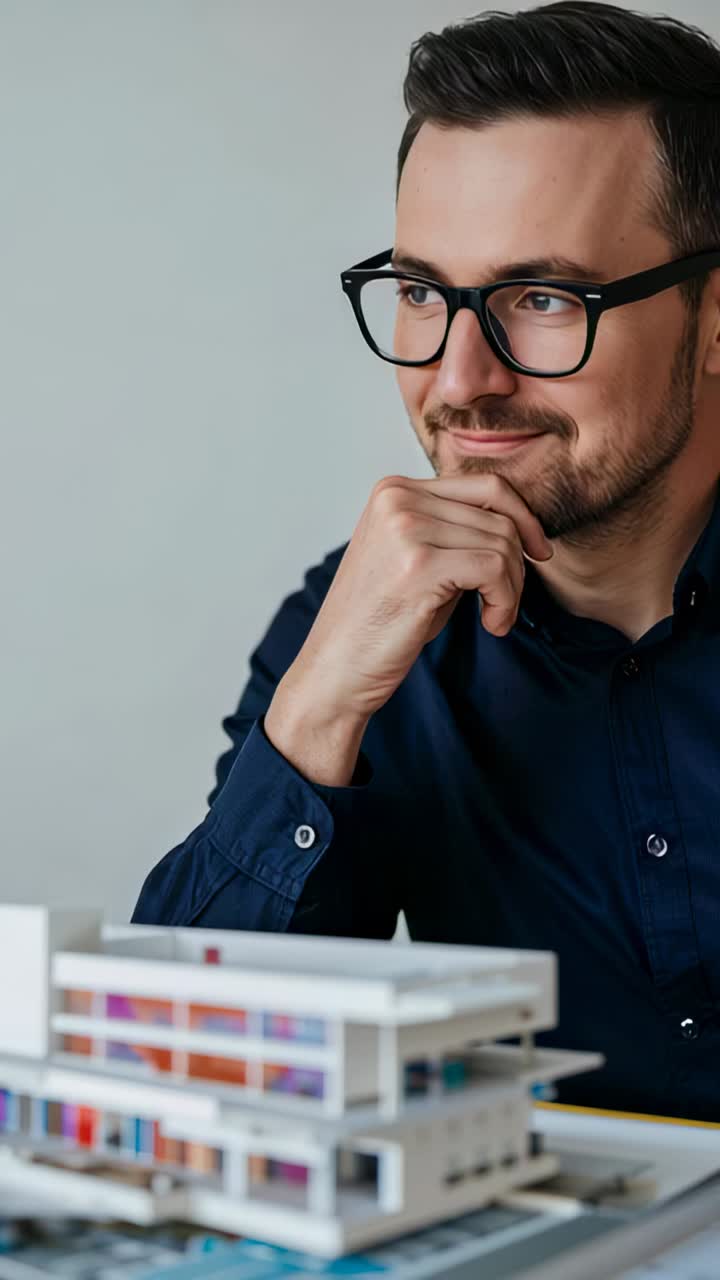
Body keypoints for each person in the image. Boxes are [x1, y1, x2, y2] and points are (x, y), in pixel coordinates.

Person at [133, 1, 720, 1121]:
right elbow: (180, 1085)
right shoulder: (363, 628)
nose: (458, 380)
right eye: (422, 293)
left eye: (544, 300)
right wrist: (313, 714)